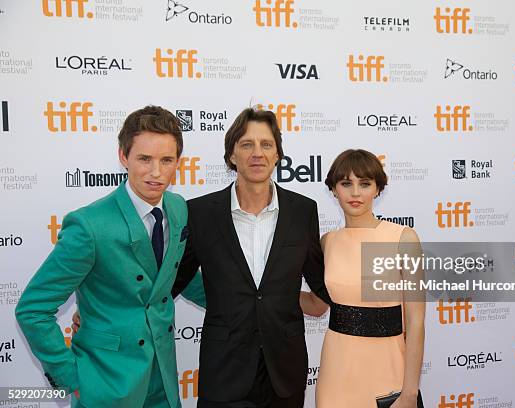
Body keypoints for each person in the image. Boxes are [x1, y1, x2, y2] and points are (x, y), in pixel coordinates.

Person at [15, 106, 202, 408]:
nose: (156, 172)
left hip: (164, 382)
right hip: (106, 386)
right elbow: (33, 309)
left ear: (178, 163)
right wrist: (73, 380)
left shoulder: (179, 208)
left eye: (167, 160)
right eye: (144, 159)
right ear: (123, 157)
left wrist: (243, 301)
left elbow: (173, 275)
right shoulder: (89, 226)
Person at [171, 107, 330, 408]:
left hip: (285, 372)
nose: (257, 153)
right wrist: (111, 310)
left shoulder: (302, 211)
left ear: (278, 155)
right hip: (224, 372)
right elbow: (170, 283)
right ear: (232, 155)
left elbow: (323, 286)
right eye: (247, 145)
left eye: (266, 144)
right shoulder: (200, 213)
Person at [301, 149, 425, 408]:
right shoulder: (327, 243)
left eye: (365, 183)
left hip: (387, 371)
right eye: (346, 183)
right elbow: (317, 305)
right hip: (336, 373)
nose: (355, 193)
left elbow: (415, 322)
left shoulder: (403, 238)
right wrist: (267, 290)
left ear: (378, 189)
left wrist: (410, 393)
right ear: (333, 190)